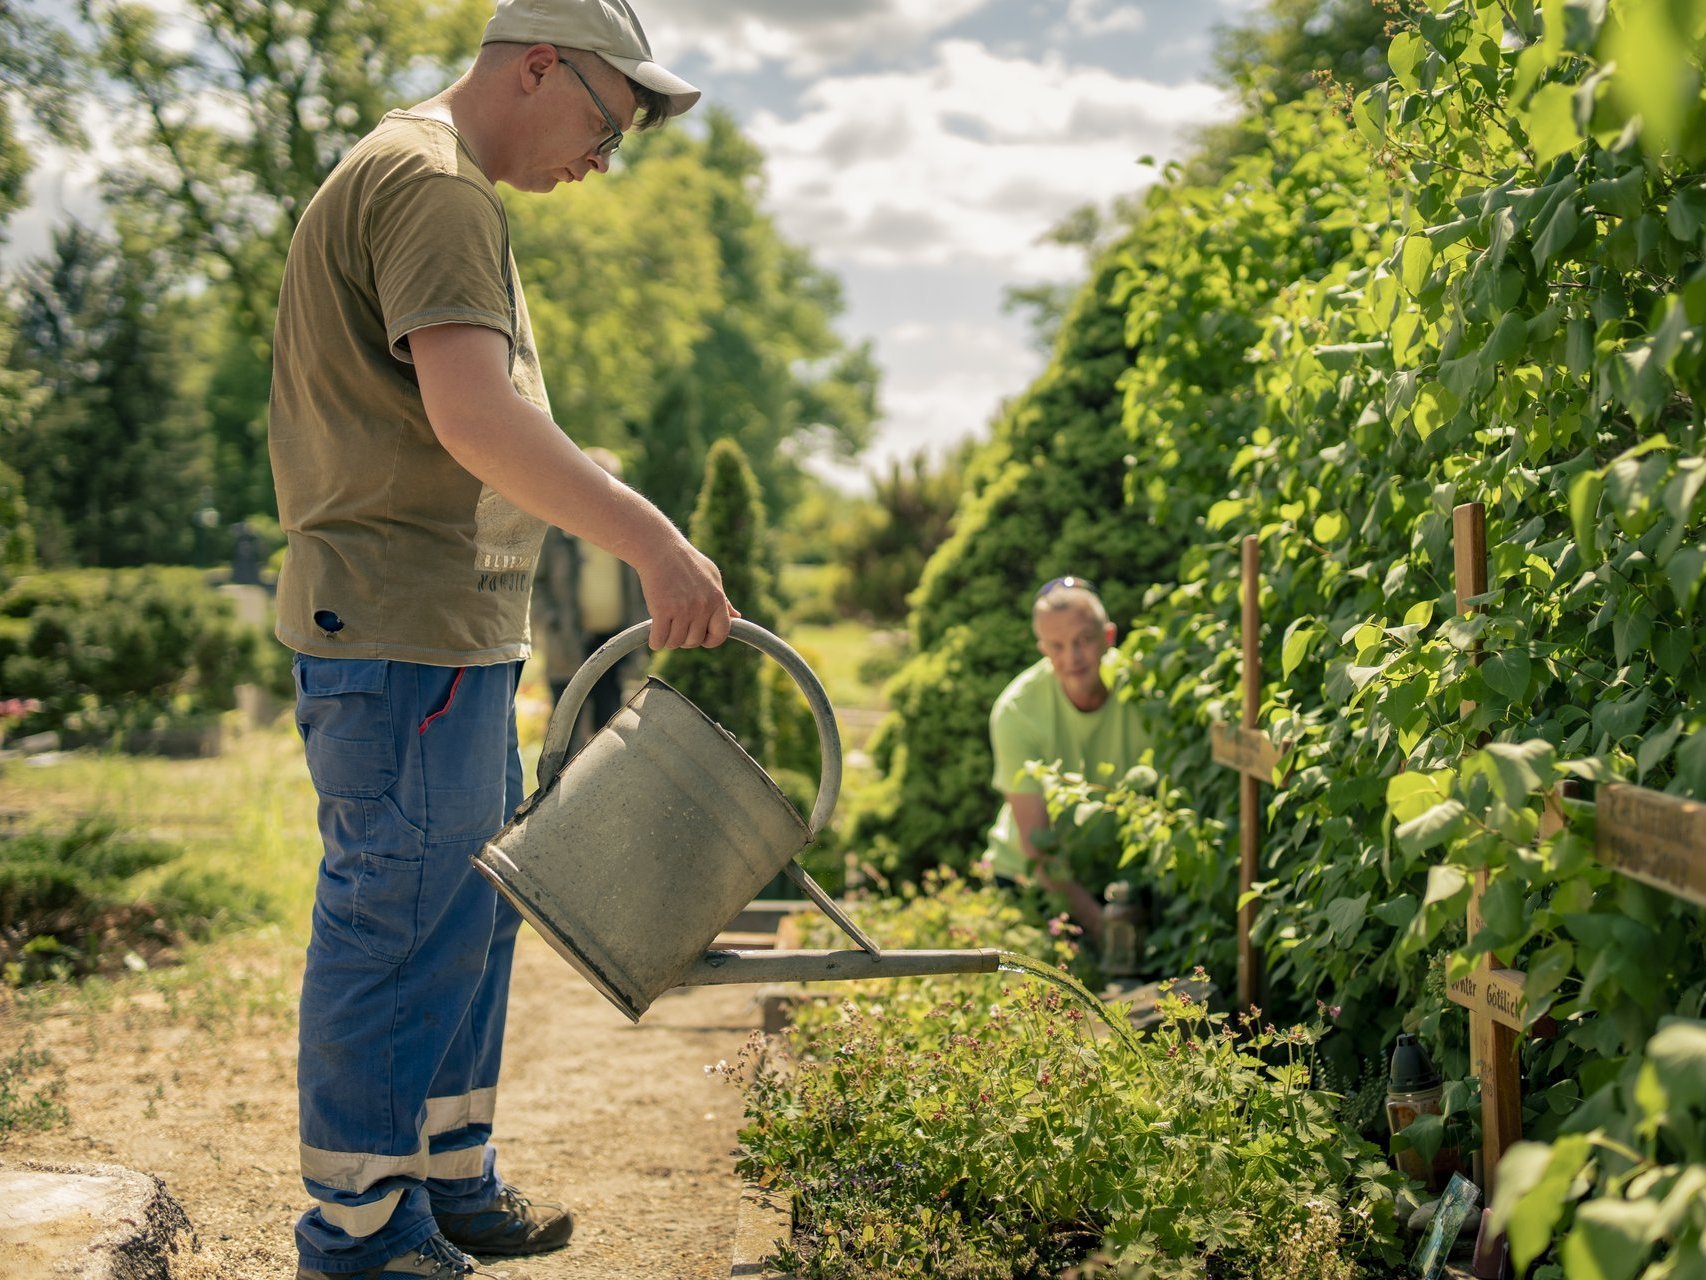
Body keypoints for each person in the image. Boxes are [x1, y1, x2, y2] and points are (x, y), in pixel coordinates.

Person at [268, 2, 734, 1277]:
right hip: (401, 624)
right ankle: (359, 1230)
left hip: (444, 625)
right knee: (401, 912)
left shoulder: (441, 181)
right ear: (539, 66)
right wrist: (652, 539)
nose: (604, 156)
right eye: (608, 121)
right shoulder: (434, 186)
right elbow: (473, 418)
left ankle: (442, 1168)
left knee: (469, 907)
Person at [981, 577, 1147, 944]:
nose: (1072, 658)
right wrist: (1105, 930)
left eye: (1083, 641)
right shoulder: (1017, 711)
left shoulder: (1145, 689)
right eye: (1056, 646)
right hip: (1033, 879)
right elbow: (1037, 846)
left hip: (1123, 877)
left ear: (1108, 637)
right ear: (1041, 647)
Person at [531, 448, 647, 751]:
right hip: (568, 643)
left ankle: (601, 796)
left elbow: (639, 586)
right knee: (565, 736)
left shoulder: (630, 532)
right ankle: (560, 797)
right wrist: (553, 622)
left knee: (608, 732)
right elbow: (535, 585)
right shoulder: (556, 530)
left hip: (614, 640)